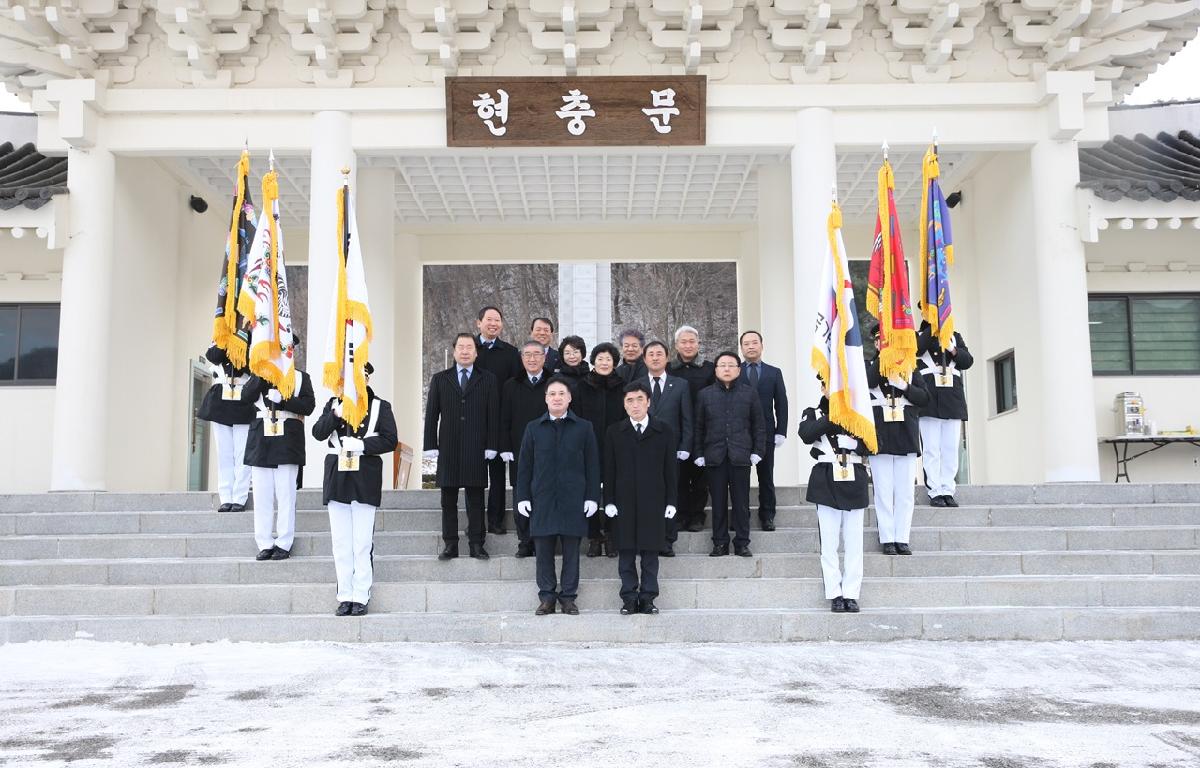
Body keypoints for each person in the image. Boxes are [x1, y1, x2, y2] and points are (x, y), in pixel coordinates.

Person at [311, 362, 397, 616]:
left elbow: (390, 439)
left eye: (360, 378)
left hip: (365, 478)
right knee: (340, 542)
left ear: (367, 379)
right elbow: (317, 432)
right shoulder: (334, 403)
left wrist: (362, 444)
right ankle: (345, 595)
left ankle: (360, 595)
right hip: (338, 476)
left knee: (361, 542)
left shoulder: (380, 406)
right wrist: (335, 415)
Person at [515, 378, 601, 616]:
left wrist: (593, 497)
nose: (557, 397)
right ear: (545, 398)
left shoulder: (584, 428)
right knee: (543, 552)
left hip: (573, 499)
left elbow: (593, 465)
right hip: (542, 499)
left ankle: (569, 598)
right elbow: (524, 466)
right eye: (552, 394)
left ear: (569, 398)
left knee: (572, 552)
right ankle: (547, 597)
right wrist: (522, 496)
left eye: (561, 393)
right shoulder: (533, 428)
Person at [424, 333, 500, 561]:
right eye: (461, 347)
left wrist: (492, 445)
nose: (465, 351)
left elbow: (493, 415)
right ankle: (450, 545)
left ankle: (477, 544)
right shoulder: (440, 379)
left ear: (476, 352)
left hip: (477, 448)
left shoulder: (488, 379)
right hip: (448, 447)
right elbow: (431, 415)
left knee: (476, 499)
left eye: (469, 347)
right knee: (448, 499)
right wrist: (430, 444)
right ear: (454, 351)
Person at [604, 381, 678, 615]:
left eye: (639, 400)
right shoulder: (614, 431)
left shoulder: (663, 430)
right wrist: (609, 501)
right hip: (624, 500)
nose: (635, 405)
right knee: (625, 551)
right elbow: (609, 470)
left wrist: (671, 501)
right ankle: (628, 597)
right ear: (624, 405)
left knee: (650, 552)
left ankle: (647, 597)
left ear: (648, 402)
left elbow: (670, 470)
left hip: (653, 500)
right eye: (629, 400)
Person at [798, 385, 871, 613]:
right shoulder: (814, 412)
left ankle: (851, 593)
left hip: (853, 477)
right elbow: (806, 435)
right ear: (822, 388)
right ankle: (835, 592)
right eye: (829, 385)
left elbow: (874, 444)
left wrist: (856, 445)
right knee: (829, 542)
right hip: (826, 479)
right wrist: (833, 415)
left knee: (854, 542)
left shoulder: (859, 412)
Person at [693, 351, 766, 557]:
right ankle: (720, 543)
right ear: (715, 370)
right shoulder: (705, 394)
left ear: (738, 369)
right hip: (714, 456)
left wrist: (757, 451)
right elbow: (699, 427)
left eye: (731, 365)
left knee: (741, 503)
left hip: (740, 456)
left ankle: (742, 542)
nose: (726, 369)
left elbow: (759, 426)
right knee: (717, 503)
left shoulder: (749, 393)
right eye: (722, 365)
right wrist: (698, 452)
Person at [240, 368, 316, 561]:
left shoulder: (300, 377)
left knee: (286, 494)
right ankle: (264, 542)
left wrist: (283, 399)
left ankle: (284, 542)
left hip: (288, 439)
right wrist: (261, 375)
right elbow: (245, 396)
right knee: (262, 495)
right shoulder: (259, 373)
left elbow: (308, 406)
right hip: (261, 438)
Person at [867, 326, 930, 555]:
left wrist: (904, 385)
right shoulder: (869, 366)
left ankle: (902, 537)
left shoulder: (910, 367)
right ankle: (887, 538)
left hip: (905, 434)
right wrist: (883, 359)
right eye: (879, 341)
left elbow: (924, 398)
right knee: (883, 491)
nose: (882, 344)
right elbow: (868, 382)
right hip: (881, 436)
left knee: (904, 492)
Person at [573, 342, 626, 558]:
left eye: (609, 359)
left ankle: (612, 535)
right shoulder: (582, 386)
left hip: (616, 447)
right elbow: (575, 417)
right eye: (600, 359)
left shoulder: (623, 385)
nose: (604, 363)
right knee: (590, 491)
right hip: (589, 446)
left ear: (614, 363)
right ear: (593, 361)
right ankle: (594, 536)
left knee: (615, 491)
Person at [474, 306, 522, 535]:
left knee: (496, 474)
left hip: (498, 420)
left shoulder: (511, 353)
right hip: (472, 420)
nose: (493, 324)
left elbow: (515, 389)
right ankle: (474, 520)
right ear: (478, 323)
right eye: (489, 320)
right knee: (472, 472)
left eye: (497, 320)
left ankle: (496, 519)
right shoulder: (467, 348)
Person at [642, 340, 693, 557]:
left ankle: (668, 539)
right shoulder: (636, 385)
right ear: (644, 359)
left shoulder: (680, 384)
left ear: (666, 358)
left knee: (669, 494)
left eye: (659, 354)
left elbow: (687, 418)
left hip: (671, 451)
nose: (655, 357)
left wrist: (685, 446)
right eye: (651, 354)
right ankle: (647, 537)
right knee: (646, 496)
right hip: (642, 450)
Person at [915, 320, 974, 507]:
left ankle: (948, 489)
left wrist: (953, 349)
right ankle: (935, 491)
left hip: (952, 400)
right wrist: (932, 330)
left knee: (950, 449)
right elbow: (916, 349)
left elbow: (967, 361)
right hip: (930, 400)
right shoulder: (919, 336)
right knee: (931, 449)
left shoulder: (954, 336)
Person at [500, 340, 550, 558]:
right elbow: (504, 419)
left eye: (536, 354)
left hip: (549, 451)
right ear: (521, 358)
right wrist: (505, 447)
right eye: (527, 355)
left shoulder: (554, 383)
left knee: (545, 494)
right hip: (520, 449)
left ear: (544, 357)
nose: (532, 358)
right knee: (522, 495)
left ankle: (543, 538)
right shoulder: (511, 385)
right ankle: (525, 541)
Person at [739, 330, 789, 531]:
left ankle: (767, 516)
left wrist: (781, 431)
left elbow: (782, 404)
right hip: (740, 433)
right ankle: (740, 517)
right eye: (746, 344)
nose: (751, 347)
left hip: (767, 432)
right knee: (739, 478)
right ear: (741, 347)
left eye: (754, 343)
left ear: (761, 345)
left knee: (766, 476)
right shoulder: (735, 371)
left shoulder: (773, 372)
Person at [669, 325, 715, 533]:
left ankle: (697, 516)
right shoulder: (669, 369)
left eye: (692, 342)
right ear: (676, 345)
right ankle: (680, 515)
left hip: (702, 429)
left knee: (699, 477)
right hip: (676, 430)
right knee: (677, 476)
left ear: (698, 344)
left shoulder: (708, 369)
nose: (688, 346)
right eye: (683, 342)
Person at [198, 344, 255, 513]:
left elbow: (250, 366)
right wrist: (228, 340)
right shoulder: (222, 338)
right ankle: (226, 497)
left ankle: (239, 497)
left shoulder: (250, 342)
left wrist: (241, 343)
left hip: (242, 399)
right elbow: (213, 355)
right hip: (221, 400)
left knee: (242, 454)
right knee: (224, 454)